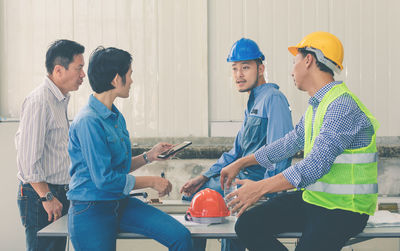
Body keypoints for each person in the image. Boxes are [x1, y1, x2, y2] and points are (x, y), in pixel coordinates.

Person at [221, 31, 379, 251]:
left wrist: (260, 188)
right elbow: (289, 143)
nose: (291, 70)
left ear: (308, 60)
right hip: (316, 199)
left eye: (294, 61)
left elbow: (314, 166)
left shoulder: (341, 106)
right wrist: (241, 163)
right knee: (248, 225)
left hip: (346, 209)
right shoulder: (317, 105)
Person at [67, 46, 193, 251]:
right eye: (130, 74)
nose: (132, 80)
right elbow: (105, 179)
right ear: (116, 79)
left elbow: (119, 167)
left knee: (181, 237)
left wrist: (149, 156)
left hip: (119, 203)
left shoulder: (115, 117)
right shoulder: (88, 121)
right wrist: (152, 181)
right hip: (91, 209)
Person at [180, 38, 293, 251]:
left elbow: (282, 152)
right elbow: (236, 152)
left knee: (203, 206)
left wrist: (264, 193)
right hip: (239, 183)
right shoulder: (253, 103)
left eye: (245, 67)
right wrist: (204, 176)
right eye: (234, 68)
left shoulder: (273, 99)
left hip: (256, 186)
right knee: (194, 197)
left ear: (261, 69)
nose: (239, 74)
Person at [15, 39, 85, 251]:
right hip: (41, 195)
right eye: (79, 68)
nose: (83, 74)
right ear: (58, 70)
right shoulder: (40, 101)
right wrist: (47, 196)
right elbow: (28, 161)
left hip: (57, 193)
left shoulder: (60, 100)